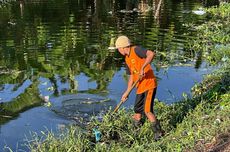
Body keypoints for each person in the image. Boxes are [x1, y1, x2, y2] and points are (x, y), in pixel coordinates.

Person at [115, 35, 163, 140]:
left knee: (147, 110)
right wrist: (126, 92)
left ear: (123, 47)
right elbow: (131, 77)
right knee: (137, 109)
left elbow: (151, 54)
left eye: (118, 49)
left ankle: (158, 133)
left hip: (149, 84)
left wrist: (143, 67)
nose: (118, 51)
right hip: (140, 87)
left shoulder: (136, 50)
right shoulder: (127, 59)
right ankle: (135, 131)